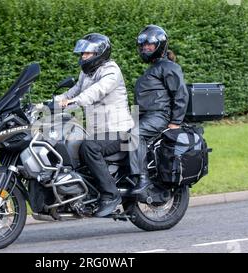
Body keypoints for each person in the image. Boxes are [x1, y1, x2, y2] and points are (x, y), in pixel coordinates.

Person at [55, 33, 134, 217]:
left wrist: (71, 103)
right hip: (98, 132)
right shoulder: (86, 73)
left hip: (119, 130)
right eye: (82, 54)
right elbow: (72, 92)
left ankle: (111, 195)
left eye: (87, 54)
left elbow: (95, 92)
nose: (83, 57)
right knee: (70, 147)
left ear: (100, 53)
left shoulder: (111, 71)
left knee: (89, 148)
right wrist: (45, 104)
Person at [129, 25, 189, 194]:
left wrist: (176, 121)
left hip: (160, 115)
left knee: (135, 134)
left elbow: (180, 93)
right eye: (143, 45)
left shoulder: (168, 67)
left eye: (149, 44)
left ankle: (142, 180)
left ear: (160, 45)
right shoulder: (154, 68)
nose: (145, 47)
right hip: (147, 115)